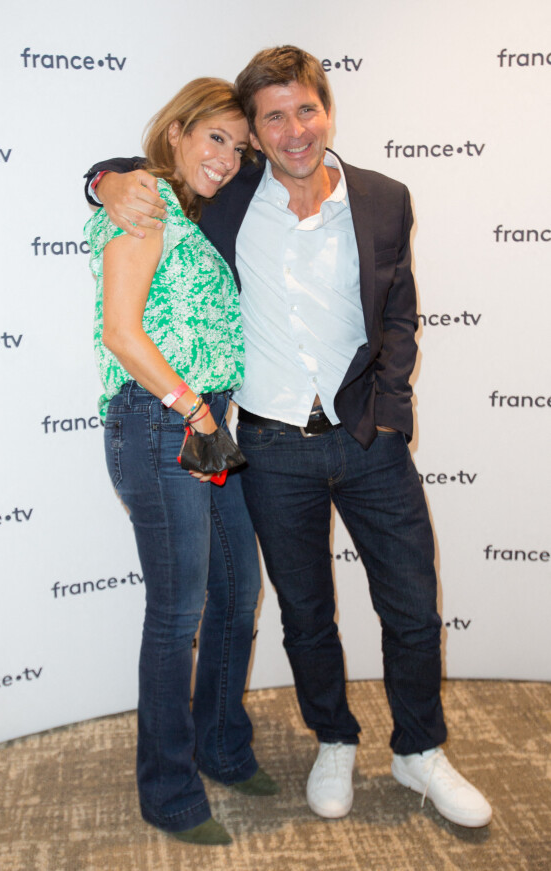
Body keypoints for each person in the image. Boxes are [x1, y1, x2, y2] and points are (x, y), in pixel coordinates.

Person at [85, 46, 492, 829]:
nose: (291, 130)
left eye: (304, 109)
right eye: (270, 118)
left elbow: (400, 314)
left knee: (411, 606)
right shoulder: (231, 196)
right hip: (268, 448)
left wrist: (392, 410)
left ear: (327, 110)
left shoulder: (383, 198)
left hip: (366, 438)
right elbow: (160, 170)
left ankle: (421, 749)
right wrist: (107, 177)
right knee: (304, 613)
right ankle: (332, 738)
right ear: (257, 134)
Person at [84, 77, 279, 847]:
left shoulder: (188, 217)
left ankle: (222, 746)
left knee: (235, 594)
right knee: (177, 616)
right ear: (175, 136)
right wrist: (195, 409)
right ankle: (167, 788)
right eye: (214, 139)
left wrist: (209, 416)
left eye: (239, 145)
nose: (228, 159)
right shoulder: (144, 205)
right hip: (163, 423)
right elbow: (123, 334)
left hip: (204, 423)